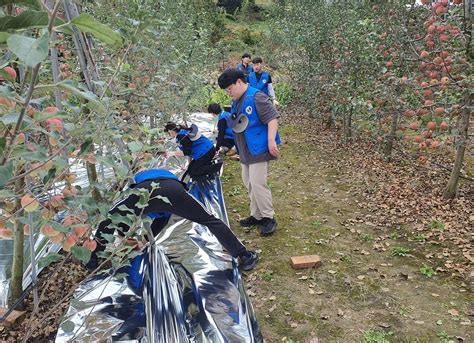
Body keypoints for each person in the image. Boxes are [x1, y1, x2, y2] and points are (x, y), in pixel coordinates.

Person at [87, 168, 259, 271]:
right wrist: (145, 239)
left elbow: (115, 216)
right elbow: (161, 220)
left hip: (144, 190)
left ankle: (93, 256)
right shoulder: (165, 178)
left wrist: (135, 238)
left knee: (111, 217)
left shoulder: (136, 180)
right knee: (209, 220)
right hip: (173, 191)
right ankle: (243, 255)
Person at [218, 69, 280, 236]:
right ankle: (257, 215)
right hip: (245, 149)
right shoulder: (237, 100)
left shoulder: (256, 96)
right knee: (249, 182)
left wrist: (271, 141)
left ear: (239, 82)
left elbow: (272, 118)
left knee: (258, 183)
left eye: (229, 88)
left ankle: (269, 217)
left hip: (258, 147)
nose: (228, 92)